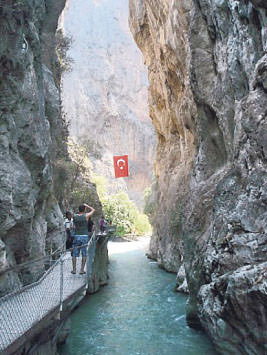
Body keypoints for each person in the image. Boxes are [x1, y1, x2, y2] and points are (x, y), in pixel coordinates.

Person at [71, 203, 95, 275]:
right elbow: (93, 210)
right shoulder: (86, 216)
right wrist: (87, 205)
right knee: (84, 253)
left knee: (74, 254)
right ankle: (82, 270)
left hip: (76, 236)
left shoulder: (74, 216)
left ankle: (74, 270)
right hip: (85, 236)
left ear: (78, 209)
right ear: (84, 210)